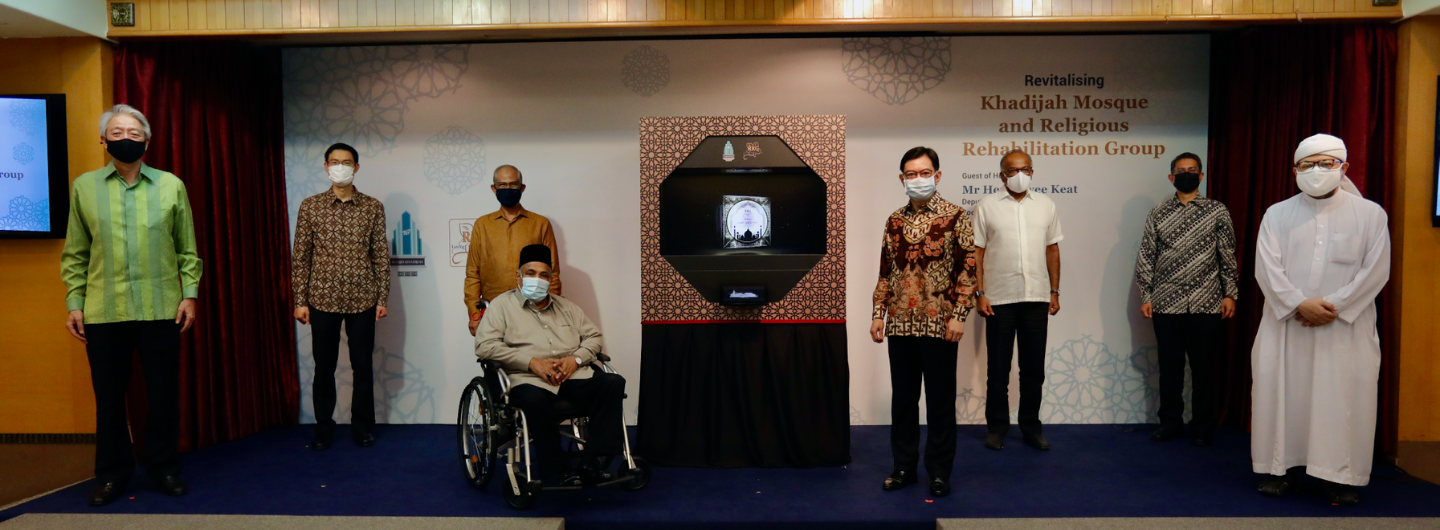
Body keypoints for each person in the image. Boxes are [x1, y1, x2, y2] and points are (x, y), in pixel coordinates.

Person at [61, 104, 202, 506]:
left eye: (134, 133)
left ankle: (164, 468)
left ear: (147, 141)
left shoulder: (171, 185)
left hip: (162, 308)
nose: (126, 139)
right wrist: (75, 302)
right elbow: (76, 252)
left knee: (162, 396)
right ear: (103, 141)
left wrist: (189, 294)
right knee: (108, 400)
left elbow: (186, 249)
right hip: (103, 310)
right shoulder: (84, 187)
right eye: (117, 133)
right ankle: (112, 474)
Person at [1251, 134, 1390, 505]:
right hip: (1287, 326)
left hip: (1344, 329)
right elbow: (1267, 269)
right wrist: (1299, 304)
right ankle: (1281, 469)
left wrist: (1332, 308)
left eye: (1326, 163)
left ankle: (1338, 477)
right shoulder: (1277, 214)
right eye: (1307, 165)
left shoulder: (1370, 215)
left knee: (1340, 399)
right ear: (1294, 170)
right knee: (1283, 395)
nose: (1316, 171)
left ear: (1344, 168)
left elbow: (1376, 272)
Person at [870, 146, 975, 498]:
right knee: (903, 400)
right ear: (902, 178)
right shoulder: (894, 221)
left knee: (940, 401)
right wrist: (878, 314)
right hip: (900, 323)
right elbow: (885, 271)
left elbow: (968, 270)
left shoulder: (956, 216)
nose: (918, 179)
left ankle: (940, 472)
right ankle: (903, 467)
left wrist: (959, 315)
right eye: (911, 174)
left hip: (940, 323)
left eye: (925, 173)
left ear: (938, 175)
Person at [476, 244, 623, 485]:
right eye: (531, 273)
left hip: (572, 376)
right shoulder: (502, 306)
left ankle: (592, 461)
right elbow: (485, 346)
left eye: (544, 275)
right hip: (528, 380)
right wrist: (530, 362)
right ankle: (559, 469)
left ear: (551, 279)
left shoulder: (567, 307)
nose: (537, 279)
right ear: (518, 276)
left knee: (612, 383)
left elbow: (594, 337)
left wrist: (575, 360)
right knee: (533, 400)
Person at [1134, 153, 1238, 447]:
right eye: (1181, 171)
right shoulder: (1158, 213)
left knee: (1204, 368)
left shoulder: (1217, 211)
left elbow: (1227, 254)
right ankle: (1170, 423)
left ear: (1201, 176)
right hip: (1166, 302)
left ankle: (1203, 425)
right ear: (1171, 177)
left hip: (1207, 301)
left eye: (1192, 170)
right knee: (1170, 367)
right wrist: (1146, 295)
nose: (1187, 174)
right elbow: (1147, 256)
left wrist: (1230, 293)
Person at [292, 142, 390, 450]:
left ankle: (362, 426)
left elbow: (380, 256)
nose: (340, 167)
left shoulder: (372, 207)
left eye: (346, 162)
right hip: (321, 298)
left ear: (356, 167)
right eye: (334, 162)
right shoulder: (311, 206)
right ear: (326, 167)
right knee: (324, 367)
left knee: (362, 366)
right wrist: (300, 300)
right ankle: (323, 427)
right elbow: (301, 256)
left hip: (363, 298)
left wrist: (382, 298)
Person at [973, 149, 1063, 452]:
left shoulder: (1046, 205)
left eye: (1025, 169)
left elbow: (1052, 250)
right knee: (998, 370)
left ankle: (1031, 428)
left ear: (1032, 172)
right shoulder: (986, 206)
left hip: (1037, 297)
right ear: (1002, 175)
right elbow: (977, 253)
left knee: (1033, 370)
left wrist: (1054, 291)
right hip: (998, 298)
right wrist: (980, 293)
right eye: (1012, 170)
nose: (1019, 174)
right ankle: (997, 428)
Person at [464, 165, 561, 336]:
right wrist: (474, 313)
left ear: (522, 187)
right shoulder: (482, 225)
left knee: (533, 353)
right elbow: (472, 274)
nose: (508, 189)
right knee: (495, 353)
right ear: (494, 188)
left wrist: (549, 312)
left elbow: (552, 273)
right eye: (502, 185)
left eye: (513, 184)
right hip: (493, 312)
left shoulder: (540, 224)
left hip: (532, 312)